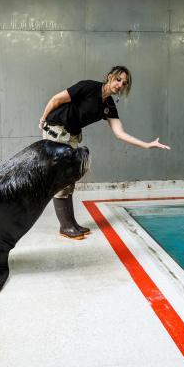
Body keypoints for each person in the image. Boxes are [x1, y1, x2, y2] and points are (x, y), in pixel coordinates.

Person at [39, 65, 171, 240]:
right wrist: (43, 118)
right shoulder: (88, 87)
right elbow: (56, 99)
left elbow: (120, 133)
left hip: (71, 134)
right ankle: (66, 226)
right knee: (61, 177)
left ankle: (70, 223)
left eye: (124, 83)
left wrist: (146, 145)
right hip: (56, 128)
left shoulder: (108, 105)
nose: (120, 85)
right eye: (118, 79)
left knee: (69, 177)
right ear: (109, 77)